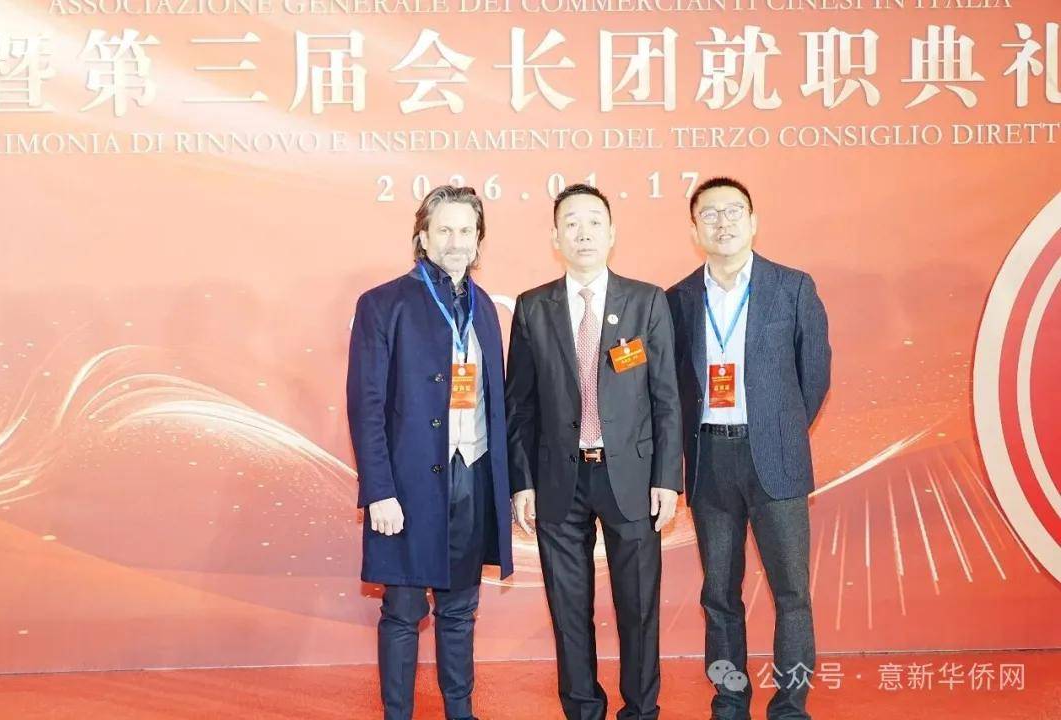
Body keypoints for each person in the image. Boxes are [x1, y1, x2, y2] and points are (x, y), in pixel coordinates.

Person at [506, 183, 682, 720]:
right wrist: (522, 482)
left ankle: (641, 710)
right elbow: (520, 405)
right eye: (572, 223)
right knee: (568, 609)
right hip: (559, 479)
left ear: (612, 233)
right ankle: (583, 709)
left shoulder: (646, 301)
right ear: (555, 237)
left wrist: (667, 478)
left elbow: (667, 398)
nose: (583, 233)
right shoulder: (532, 307)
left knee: (639, 607)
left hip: (631, 477)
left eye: (594, 222)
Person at [665, 177, 831, 720]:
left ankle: (790, 705)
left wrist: (778, 429)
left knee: (792, 593)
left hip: (777, 460)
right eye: (710, 214)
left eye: (734, 211)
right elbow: (671, 386)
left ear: (754, 221)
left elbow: (815, 376)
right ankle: (730, 698)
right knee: (719, 593)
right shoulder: (677, 300)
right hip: (710, 461)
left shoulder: (793, 287)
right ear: (695, 229)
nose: (723, 222)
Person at [347, 185, 514, 720]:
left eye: (467, 230)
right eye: (444, 229)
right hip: (407, 486)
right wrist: (379, 491)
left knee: (460, 610)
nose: (456, 241)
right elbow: (366, 406)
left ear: (479, 240)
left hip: (472, 477)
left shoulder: (485, 310)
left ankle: (460, 712)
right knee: (402, 611)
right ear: (422, 236)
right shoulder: (382, 304)